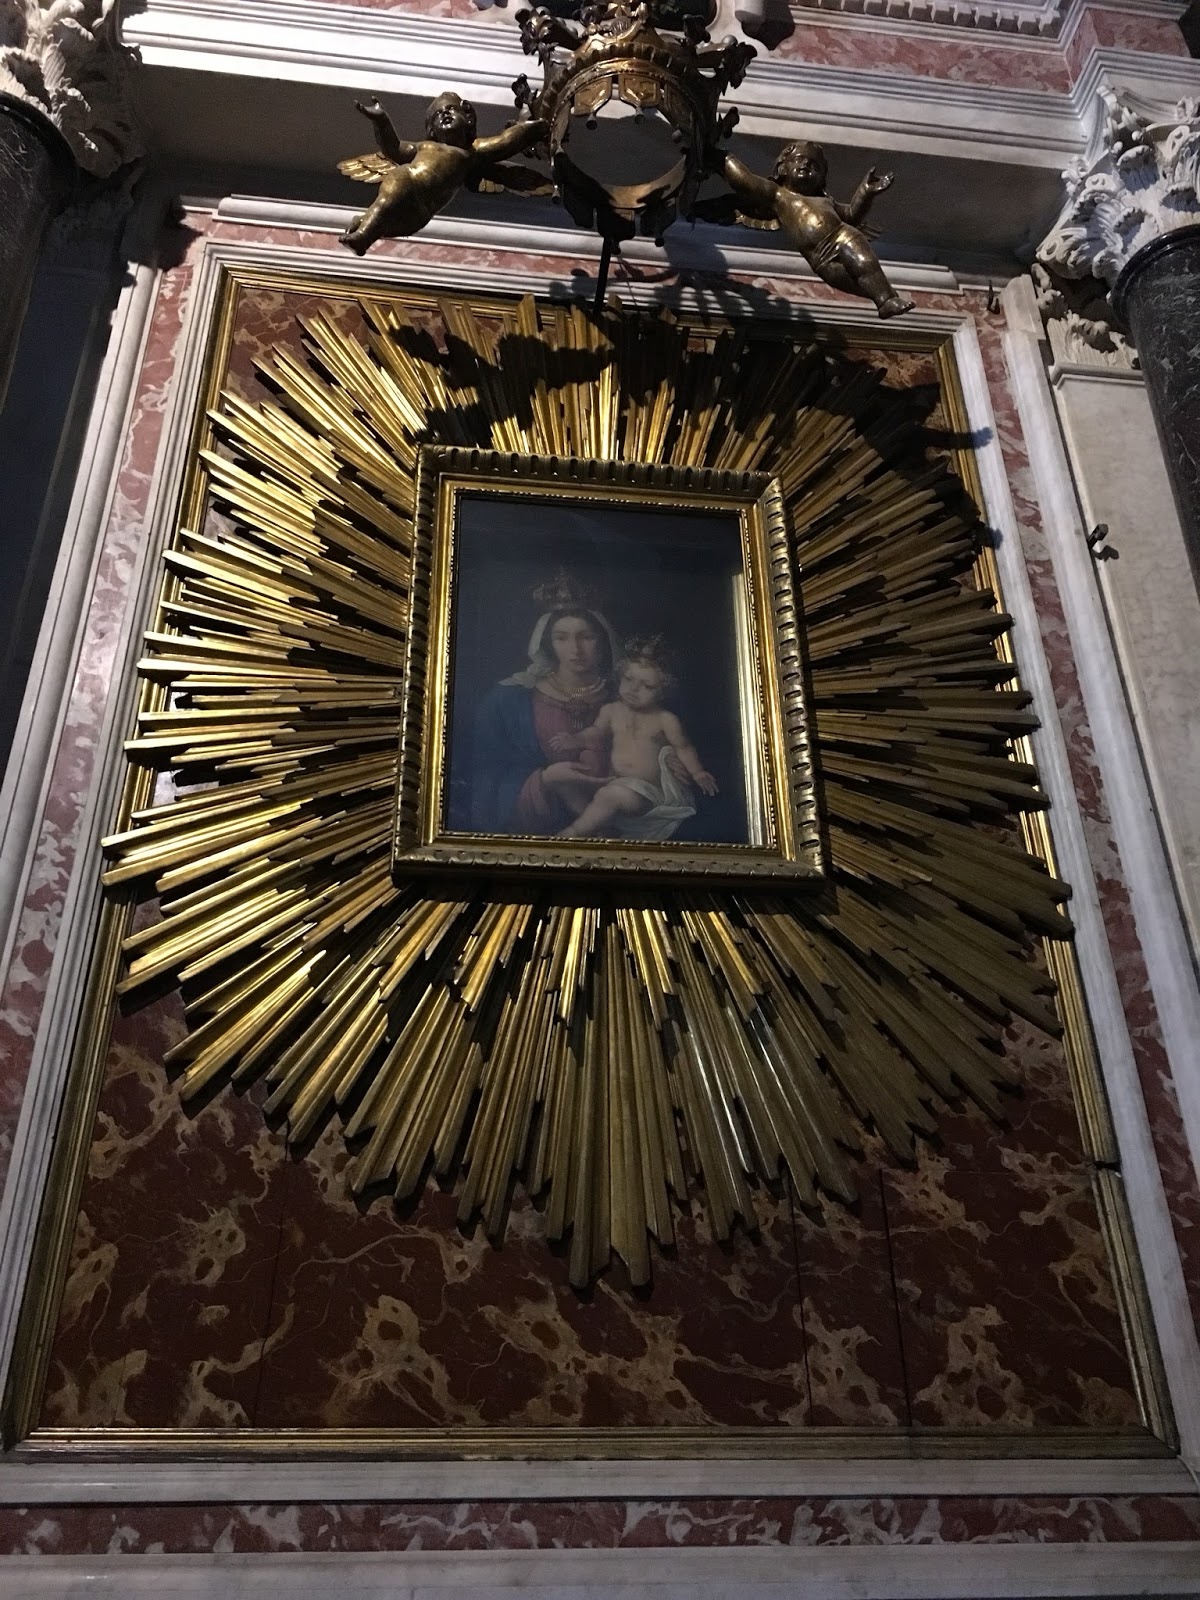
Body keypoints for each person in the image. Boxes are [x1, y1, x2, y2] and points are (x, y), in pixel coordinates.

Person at [467, 581, 619, 835]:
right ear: (548, 642)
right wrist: (546, 779)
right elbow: (484, 778)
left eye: (586, 637)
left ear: (603, 640)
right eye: (561, 638)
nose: (575, 649)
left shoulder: (628, 696)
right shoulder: (508, 699)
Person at [709, 140, 914, 320]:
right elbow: (745, 181)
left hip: (843, 237)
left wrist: (865, 193)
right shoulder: (779, 195)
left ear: (821, 178)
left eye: (814, 165)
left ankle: (885, 299)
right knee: (854, 281)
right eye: (799, 160)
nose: (806, 164)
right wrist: (722, 157)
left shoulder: (825, 201)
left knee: (865, 264)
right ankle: (882, 299)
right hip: (820, 259)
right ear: (782, 169)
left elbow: (852, 215)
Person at [548, 636, 718, 841]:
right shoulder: (611, 710)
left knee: (610, 795)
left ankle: (572, 834)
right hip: (615, 782)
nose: (633, 689)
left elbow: (683, 747)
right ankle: (602, 826)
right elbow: (596, 732)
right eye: (628, 679)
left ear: (662, 691)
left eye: (647, 686)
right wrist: (576, 739)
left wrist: (697, 772)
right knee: (567, 784)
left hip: (647, 794)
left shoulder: (665, 719)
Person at [338, 93, 548, 255]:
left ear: (468, 119)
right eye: (438, 115)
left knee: (388, 221)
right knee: (388, 198)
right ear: (431, 130)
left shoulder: (472, 150)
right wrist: (382, 121)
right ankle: (363, 235)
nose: (445, 114)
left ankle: (363, 224)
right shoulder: (424, 147)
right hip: (408, 183)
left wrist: (531, 129)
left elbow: (505, 141)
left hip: (423, 211)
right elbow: (393, 148)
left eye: (451, 109)